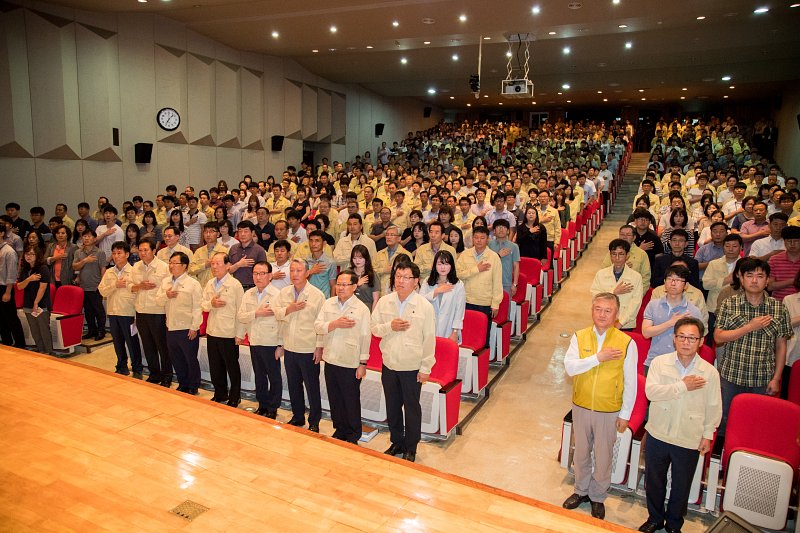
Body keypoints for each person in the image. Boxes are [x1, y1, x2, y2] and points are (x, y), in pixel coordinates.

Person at [638, 317, 722, 533]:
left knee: (681, 485)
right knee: (654, 481)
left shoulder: (709, 372)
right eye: (682, 337)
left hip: (688, 436)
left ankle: (674, 524)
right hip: (659, 432)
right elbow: (651, 392)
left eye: (692, 338)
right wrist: (682, 386)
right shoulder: (659, 363)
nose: (686, 342)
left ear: (701, 341)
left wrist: (707, 435)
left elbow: (714, 406)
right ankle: (655, 518)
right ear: (674, 339)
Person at [562, 292, 637, 520]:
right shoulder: (580, 336)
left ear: (616, 314)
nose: (602, 314)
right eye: (598, 309)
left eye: (608, 310)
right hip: (582, 405)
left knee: (603, 456)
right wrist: (598, 358)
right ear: (591, 310)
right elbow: (570, 368)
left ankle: (597, 496)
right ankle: (580, 490)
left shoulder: (626, 342)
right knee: (582, 452)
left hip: (609, 409)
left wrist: (625, 413)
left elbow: (631, 382)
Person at [714, 257, 793, 434]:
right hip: (731, 375)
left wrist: (776, 378)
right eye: (749, 275)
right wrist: (749, 327)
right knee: (724, 421)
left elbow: (781, 346)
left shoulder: (778, 308)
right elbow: (718, 338)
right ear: (741, 279)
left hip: (762, 378)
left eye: (760, 276)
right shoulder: (730, 304)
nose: (754, 280)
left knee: (756, 424)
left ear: (767, 281)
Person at [371, 261, 436, 462]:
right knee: (392, 406)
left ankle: (411, 447)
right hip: (389, 363)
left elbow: (429, 339)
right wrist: (390, 326)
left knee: (411, 408)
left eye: (406, 277)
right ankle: (397, 441)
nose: (400, 281)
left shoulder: (424, 305)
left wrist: (426, 367)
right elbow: (374, 328)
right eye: (398, 276)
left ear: (416, 281)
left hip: (412, 366)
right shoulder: (385, 301)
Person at [314, 270, 372, 443]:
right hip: (331, 357)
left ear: (354, 286)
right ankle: (340, 429)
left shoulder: (361, 309)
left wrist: (363, 363)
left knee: (350, 400)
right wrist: (334, 324)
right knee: (335, 398)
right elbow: (318, 326)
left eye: (345, 284)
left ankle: (354, 434)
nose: (340, 288)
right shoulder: (329, 303)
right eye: (338, 284)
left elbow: (365, 337)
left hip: (350, 361)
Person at [273, 259, 326, 431]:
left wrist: (319, 347)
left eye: (298, 270)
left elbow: (321, 323)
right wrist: (290, 309)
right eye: (292, 270)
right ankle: (297, 417)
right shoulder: (285, 292)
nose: (294, 274)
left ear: (306, 272)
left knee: (311, 387)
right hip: (289, 346)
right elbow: (278, 314)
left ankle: (314, 421)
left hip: (308, 348)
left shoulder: (317, 295)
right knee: (293, 384)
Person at [237, 261, 282, 418]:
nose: (258, 277)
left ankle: (273, 407)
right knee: (259, 375)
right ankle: (262, 405)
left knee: (274, 376)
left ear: (270, 276)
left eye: (262, 273)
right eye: (255, 273)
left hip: (271, 342)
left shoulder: (277, 295)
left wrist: (280, 345)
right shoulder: (248, 293)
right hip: (254, 340)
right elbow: (241, 316)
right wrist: (256, 313)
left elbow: (283, 321)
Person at [201, 252, 245, 406]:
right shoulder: (210, 283)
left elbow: (241, 311)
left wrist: (239, 334)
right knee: (215, 365)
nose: (214, 267)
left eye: (218, 263)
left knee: (232, 367)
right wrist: (210, 304)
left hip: (229, 332)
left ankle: (235, 396)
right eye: (212, 263)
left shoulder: (235, 285)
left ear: (228, 266)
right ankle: (220, 393)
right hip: (213, 330)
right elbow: (203, 304)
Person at [156, 251, 203, 394]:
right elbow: (158, 301)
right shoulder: (166, 281)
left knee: (190, 359)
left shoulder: (193, 284)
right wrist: (166, 295)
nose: (171, 266)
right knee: (176, 358)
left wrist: (194, 327)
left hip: (187, 327)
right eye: (170, 262)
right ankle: (183, 383)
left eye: (175, 263)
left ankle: (193, 386)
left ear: (184, 266)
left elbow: (197, 307)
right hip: (171, 326)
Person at [641, 265, 703, 372]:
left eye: (678, 280)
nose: (673, 283)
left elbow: (698, 341)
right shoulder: (653, 305)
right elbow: (646, 332)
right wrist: (671, 323)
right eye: (669, 279)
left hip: (681, 365)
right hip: (654, 362)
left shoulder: (693, 311)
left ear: (686, 285)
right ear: (664, 282)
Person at [130, 237, 172, 385]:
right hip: (141, 310)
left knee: (162, 346)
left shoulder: (164, 267)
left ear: (154, 251)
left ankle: (167, 375)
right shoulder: (135, 267)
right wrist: (139, 286)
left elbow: (169, 288)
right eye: (140, 250)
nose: (142, 253)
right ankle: (155, 374)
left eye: (146, 250)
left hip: (158, 311)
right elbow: (130, 287)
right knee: (147, 345)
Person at [98, 242, 143, 377]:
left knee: (132, 342)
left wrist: (137, 315)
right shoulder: (109, 272)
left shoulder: (135, 271)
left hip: (128, 313)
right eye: (114, 253)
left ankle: (137, 368)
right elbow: (102, 291)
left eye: (119, 253)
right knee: (117, 342)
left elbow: (138, 292)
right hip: (113, 312)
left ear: (127, 254)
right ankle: (121, 366)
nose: (116, 256)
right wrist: (115, 285)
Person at [456, 226, 503, 345]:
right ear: (472, 239)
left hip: (485, 302)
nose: (479, 240)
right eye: (476, 237)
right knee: (466, 333)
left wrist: (495, 303)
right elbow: (457, 274)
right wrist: (476, 269)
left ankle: (482, 361)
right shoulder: (464, 255)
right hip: (466, 300)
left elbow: (497, 282)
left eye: (482, 238)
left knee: (483, 336)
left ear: (487, 239)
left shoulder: (494, 257)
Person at [590, 239, 644, 331]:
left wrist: (620, 323)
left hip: (626, 324)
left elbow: (635, 303)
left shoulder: (636, 277)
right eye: (614, 254)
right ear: (610, 255)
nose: (617, 257)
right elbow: (595, 297)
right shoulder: (601, 274)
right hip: (603, 322)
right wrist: (613, 293)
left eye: (621, 254)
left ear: (627, 255)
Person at [419, 250, 466, 343]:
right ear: (435, 266)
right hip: (429, 326)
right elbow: (420, 301)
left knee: (445, 355)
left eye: (446, 264)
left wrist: (455, 331)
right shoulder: (428, 281)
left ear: (451, 266)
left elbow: (459, 310)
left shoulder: (458, 284)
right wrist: (437, 291)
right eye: (440, 264)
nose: (443, 267)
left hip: (449, 328)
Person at [17, 245, 53, 355]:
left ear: (37, 255)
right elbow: (19, 286)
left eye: (32, 254)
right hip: (28, 304)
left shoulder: (43, 268)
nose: (29, 256)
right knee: (34, 330)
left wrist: (36, 303)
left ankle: (49, 352)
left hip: (41, 304)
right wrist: (29, 279)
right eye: (27, 254)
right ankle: (41, 350)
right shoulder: (25, 269)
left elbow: (43, 287)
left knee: (44, 330)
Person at [72, 229, 107, 341]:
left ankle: (101, 330)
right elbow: (75, 267)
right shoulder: (78, 252)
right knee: (88, 310)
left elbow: (103, 269)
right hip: (83, 286)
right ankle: (92, 330)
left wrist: (101, 285)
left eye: (89, 236)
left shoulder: (100, 252)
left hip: (95, 286)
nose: (86, 238)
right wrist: (85, 260)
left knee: (98, 310)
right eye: (84, 236)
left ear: (94, 238)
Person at [0, 223, 25, 348]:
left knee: (11, 317)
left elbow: (11, 274)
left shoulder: (9, 251)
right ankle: (6, 341)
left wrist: (8, 292)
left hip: (5, 287)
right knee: (1, 318)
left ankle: (20, 344)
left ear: (2, 233)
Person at [227, 220, 267, 290]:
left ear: (252, 233)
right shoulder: (233, 248)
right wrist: (238, 264)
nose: (242, 234)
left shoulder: (259, 250)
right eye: (240, 231)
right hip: (234, 287)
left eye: (246, 231)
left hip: (252, 288)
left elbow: (263, 273)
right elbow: (228, 270)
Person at [188, 221, 228, 287]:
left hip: (218, 287)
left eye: (212, 232)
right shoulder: (199, 251)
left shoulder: (224, 251)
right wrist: (204, 265)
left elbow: (227, 271)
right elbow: (190, 270)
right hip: (201, 287)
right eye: (206, 232)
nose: (208, 234)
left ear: (218, 234)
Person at [767, 225, 800, 301]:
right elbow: (770, 286)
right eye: (789, 241)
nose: (792, 244)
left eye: (796, 241)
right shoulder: (774, 260)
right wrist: (794, 280)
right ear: (784, 242)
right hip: (779, 303)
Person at [488, 219, 521, 296]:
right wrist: (498, 255)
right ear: (494, 231)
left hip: (506, 282)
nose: (501, 229)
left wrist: (515, 284)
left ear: (508, 231)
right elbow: (487, 262)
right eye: (498, 227)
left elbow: (516, 266)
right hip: (490, 281)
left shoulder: (514, 246)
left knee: (506, 307)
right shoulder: (489, 245)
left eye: (504, 227)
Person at [305, 230, 337, 298]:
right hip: (308, 299)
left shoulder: (330, 262)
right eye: (311, 240)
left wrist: (331, 302)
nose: (313, 244)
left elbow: (333, 285)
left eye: (317, 241)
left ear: (324, 243)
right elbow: (301, 283)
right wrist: (310, 272)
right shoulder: (305, 261)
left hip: (324, 299)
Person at [349, 244, 380, 310]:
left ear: (366, 258)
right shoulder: (348, 273)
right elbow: (344, 292)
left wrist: (372, 316)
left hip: (367, 308)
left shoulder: (372, 275)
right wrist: (356, 285)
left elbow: (376, 299)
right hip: (350, 308)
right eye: (354, 258)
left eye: (360, 258)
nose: (357, 261)